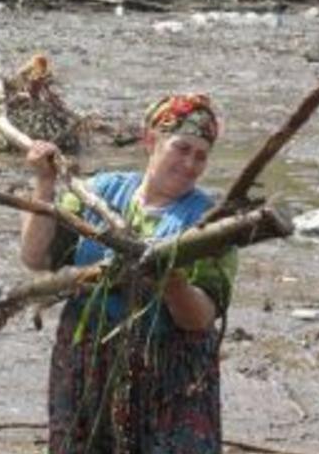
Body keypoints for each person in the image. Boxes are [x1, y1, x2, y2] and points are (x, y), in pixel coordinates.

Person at [20, 94, 238, 454]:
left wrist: (172, 285)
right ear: (150, 141)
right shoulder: (99, 194)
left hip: (171, 373)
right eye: (181, 147)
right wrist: (44, 184)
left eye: (200, 155)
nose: (190, 163)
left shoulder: (210, 224)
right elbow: (35, 257)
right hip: (87, 363)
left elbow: (201, 318)